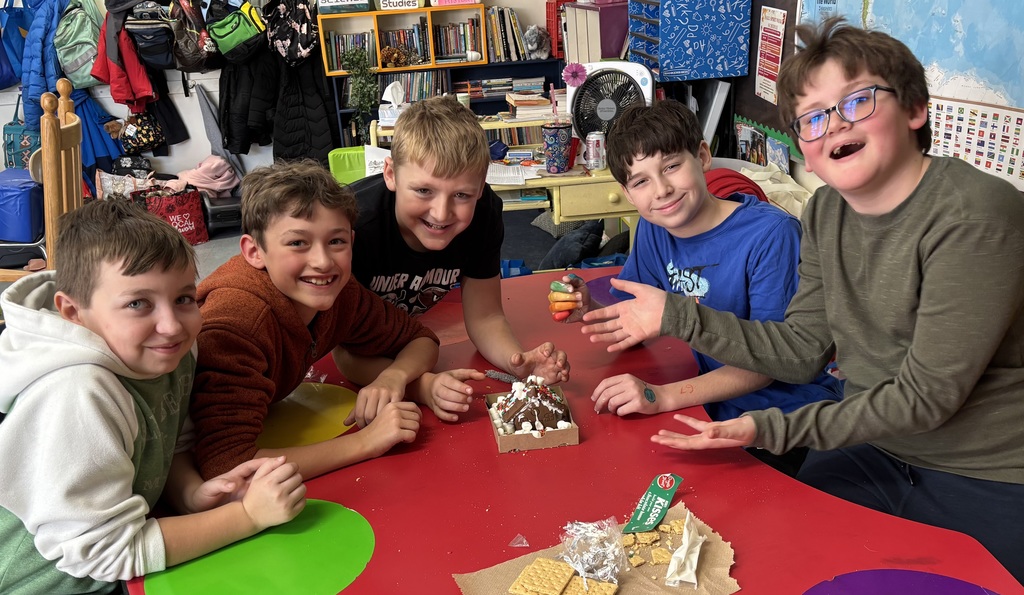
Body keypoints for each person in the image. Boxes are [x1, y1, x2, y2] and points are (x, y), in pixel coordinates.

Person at [579, 17, 1024, 581]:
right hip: (874, 448)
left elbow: (927, 397)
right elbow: (801, 347)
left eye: (857, 102)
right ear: (806, 152)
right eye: (812, 119)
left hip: (987, 473)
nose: (833, 125)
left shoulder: (974, 214)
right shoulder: (827, 212)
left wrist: (771, 429)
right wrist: (674, 315)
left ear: (914, 109)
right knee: (772, 562)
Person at [0, 200, 306, 594]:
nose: (171, 325)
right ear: (73, 313)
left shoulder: (172, 352)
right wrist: (247, 516)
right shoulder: (77, 392)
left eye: (183, 298)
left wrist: (191, 494)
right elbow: (104, 553)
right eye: (137, 303)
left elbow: (167, 442)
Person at [553, 99, 842, 475]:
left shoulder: (772, 235)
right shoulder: (655, 229)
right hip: (708, 407)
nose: (662, 190)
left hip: (784, 421)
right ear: (628, 194)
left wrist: (662, 396)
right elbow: (641, 321)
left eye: (671, 166)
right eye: (641, 181)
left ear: (702, 156)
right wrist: (590, 309)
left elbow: (776, 362)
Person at [190, 160, 440, 480]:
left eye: (336, 241)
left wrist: (394, 376)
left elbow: (420, 339)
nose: (322, 262)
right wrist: (366, 442)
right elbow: (227, 467)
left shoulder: (341, 294)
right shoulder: (238, 325)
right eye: (298, 243)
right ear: (254, 251)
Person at [336, 96, 570, 424]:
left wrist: (515, 361)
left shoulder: (484, 214)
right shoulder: (349, 228)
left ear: (480, 186)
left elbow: (486, 316)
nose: (441, 213)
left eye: (461, 195)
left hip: (408, 340)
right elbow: (346, 350)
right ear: (390, 174)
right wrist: (421, 385)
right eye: (423, 191)